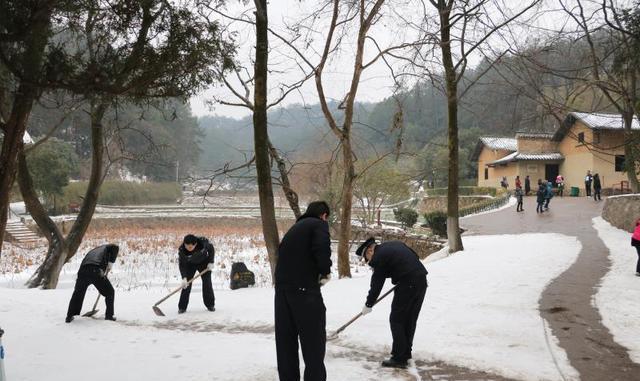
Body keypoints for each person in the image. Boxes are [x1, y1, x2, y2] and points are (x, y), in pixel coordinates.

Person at [275, 201, 332, 381]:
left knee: (286, 343)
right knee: (313, 342)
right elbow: (322, 248)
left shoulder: (295, 228)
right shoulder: (318, 224)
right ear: (324, 215)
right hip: (305, 291)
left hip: (282, 293)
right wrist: (325, 271)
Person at [356, 238, 428, 369]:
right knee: (409, 319)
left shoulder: (379, 256)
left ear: (371, 250)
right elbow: (414, 257)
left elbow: (376, 284)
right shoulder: (393, 245)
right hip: (421, 280)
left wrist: (369, 304)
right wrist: (401, 273)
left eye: (366, 257)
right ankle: (405, 353)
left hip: (408, 284)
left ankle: (399, 358)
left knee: (397, 320)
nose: (368, 261)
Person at [66, 244, 119, 323]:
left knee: (78, 293)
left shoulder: (94, 251)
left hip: (82, 271)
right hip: (95, 270)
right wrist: (111, 263)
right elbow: (115, 247)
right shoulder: (109, 247)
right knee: (110, 292)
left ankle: (70, 315)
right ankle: (109, 316)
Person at [178, 234, 216, 313]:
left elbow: (211, 249)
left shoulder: (203, 243)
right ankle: (182, 307)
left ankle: (210, 305)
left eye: (191, 247)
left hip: (204, 263)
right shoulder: (182, 250)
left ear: (195, 244)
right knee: (186, 285)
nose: (189, 249)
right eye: (187, 246)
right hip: (190, 264)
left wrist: (211, 262)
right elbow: (182, 265)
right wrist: (184, 277)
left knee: (207, 283)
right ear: (184, 244)